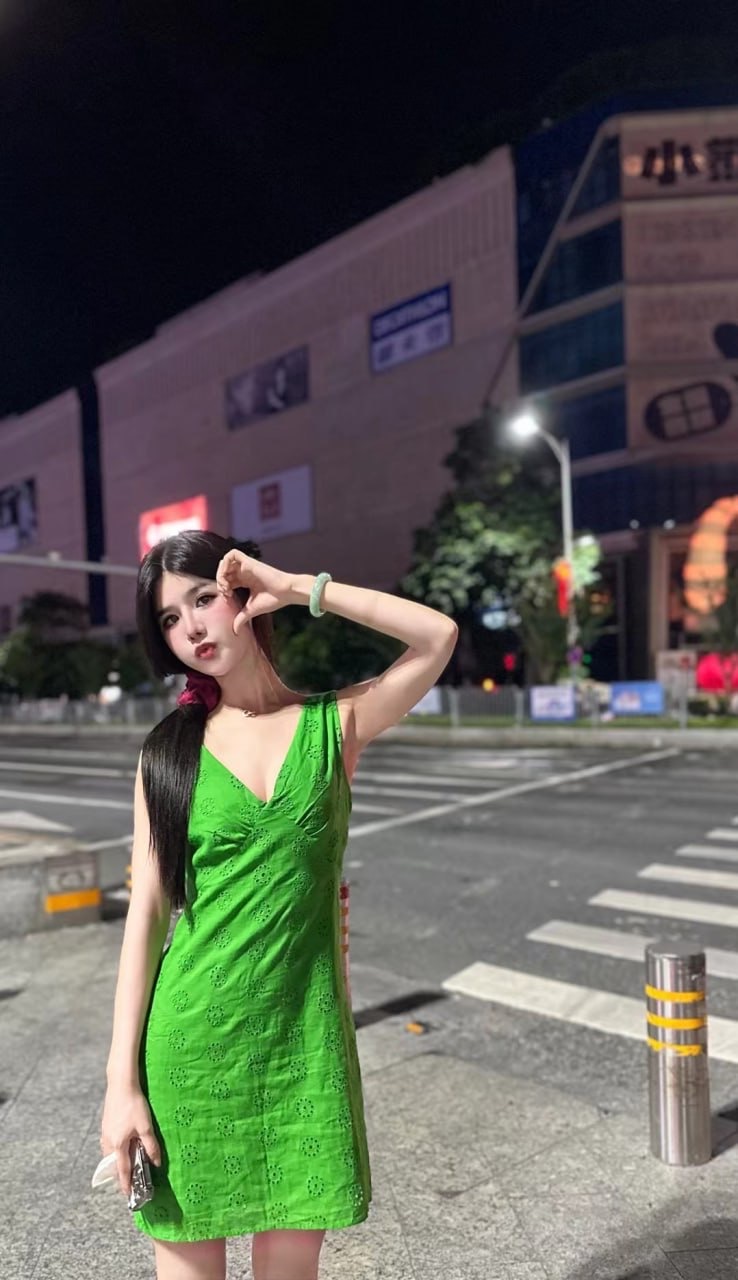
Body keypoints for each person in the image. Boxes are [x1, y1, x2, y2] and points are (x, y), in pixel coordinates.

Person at [100, 530, 457, 1280]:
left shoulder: (333, 725)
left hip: (304, 1051)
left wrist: (297, 588)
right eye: (169, 618)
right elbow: (147, 917)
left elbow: (436, 636)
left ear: (242, 594)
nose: (191, 627)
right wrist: (120, 1086)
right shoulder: (168, 754)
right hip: (190, 1050)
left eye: (204, 598)